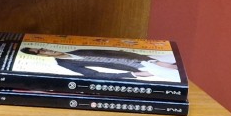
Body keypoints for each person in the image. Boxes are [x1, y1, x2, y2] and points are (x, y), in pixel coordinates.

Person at [20, 45, 179, 80]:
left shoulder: (77, 50)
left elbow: (115, 52)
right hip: (136, 67)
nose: (46, 50)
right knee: (170, 73)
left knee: (175, 66)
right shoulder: (64, 64)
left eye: (41, 48)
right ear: (41, 57)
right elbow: (93, 74)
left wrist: (148, 58)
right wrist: (130, 74)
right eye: (40, 52)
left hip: (143, 58)